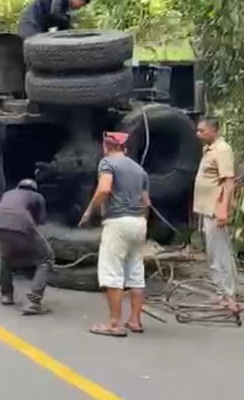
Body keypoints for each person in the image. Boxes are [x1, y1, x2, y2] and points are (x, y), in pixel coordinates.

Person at [79, 132, 150, 337]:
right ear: (125, 148)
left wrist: (90, 211)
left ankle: (114, 323)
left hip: (118, 221)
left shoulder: (107, 163)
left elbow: (104, 190)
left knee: (112, 272)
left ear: (106, 146)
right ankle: (135, 320)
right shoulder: (139, 169)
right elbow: (146, 202)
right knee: (136, 272)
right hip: (139, 222)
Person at [193, 116, 240, 311]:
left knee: (219, 253)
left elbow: (228, 182)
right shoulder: (209, 149)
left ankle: (228, 295)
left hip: (215, 209)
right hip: (207, 208)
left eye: (202, 130)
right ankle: (222, 292)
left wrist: (223, 209)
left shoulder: (222, 150)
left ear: (214, 130)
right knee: (214, 252)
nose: (198, 134)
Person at [0, 178, 54, 315]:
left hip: (0, 225)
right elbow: (40, 220)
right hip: (22, 226)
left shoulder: (7, 193)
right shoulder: (37, 196)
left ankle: (6, 295)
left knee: (5, 257)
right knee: (46, 259)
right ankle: (34, 302)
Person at [18, 0, 92, 38]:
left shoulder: (65, 8)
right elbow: (55, 12)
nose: (78, 8)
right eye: (81, 5)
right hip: (31, 25)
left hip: (39, 28)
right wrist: (68, 24)